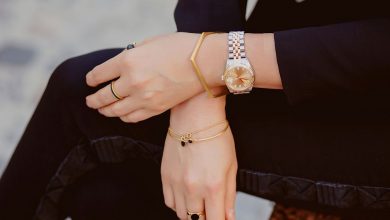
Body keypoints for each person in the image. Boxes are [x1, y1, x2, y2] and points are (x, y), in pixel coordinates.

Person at [0, 0, 389, 219]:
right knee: (106, 194)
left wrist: (206, 62)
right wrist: (198, 98)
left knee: (83, 97)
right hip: (314, 37)